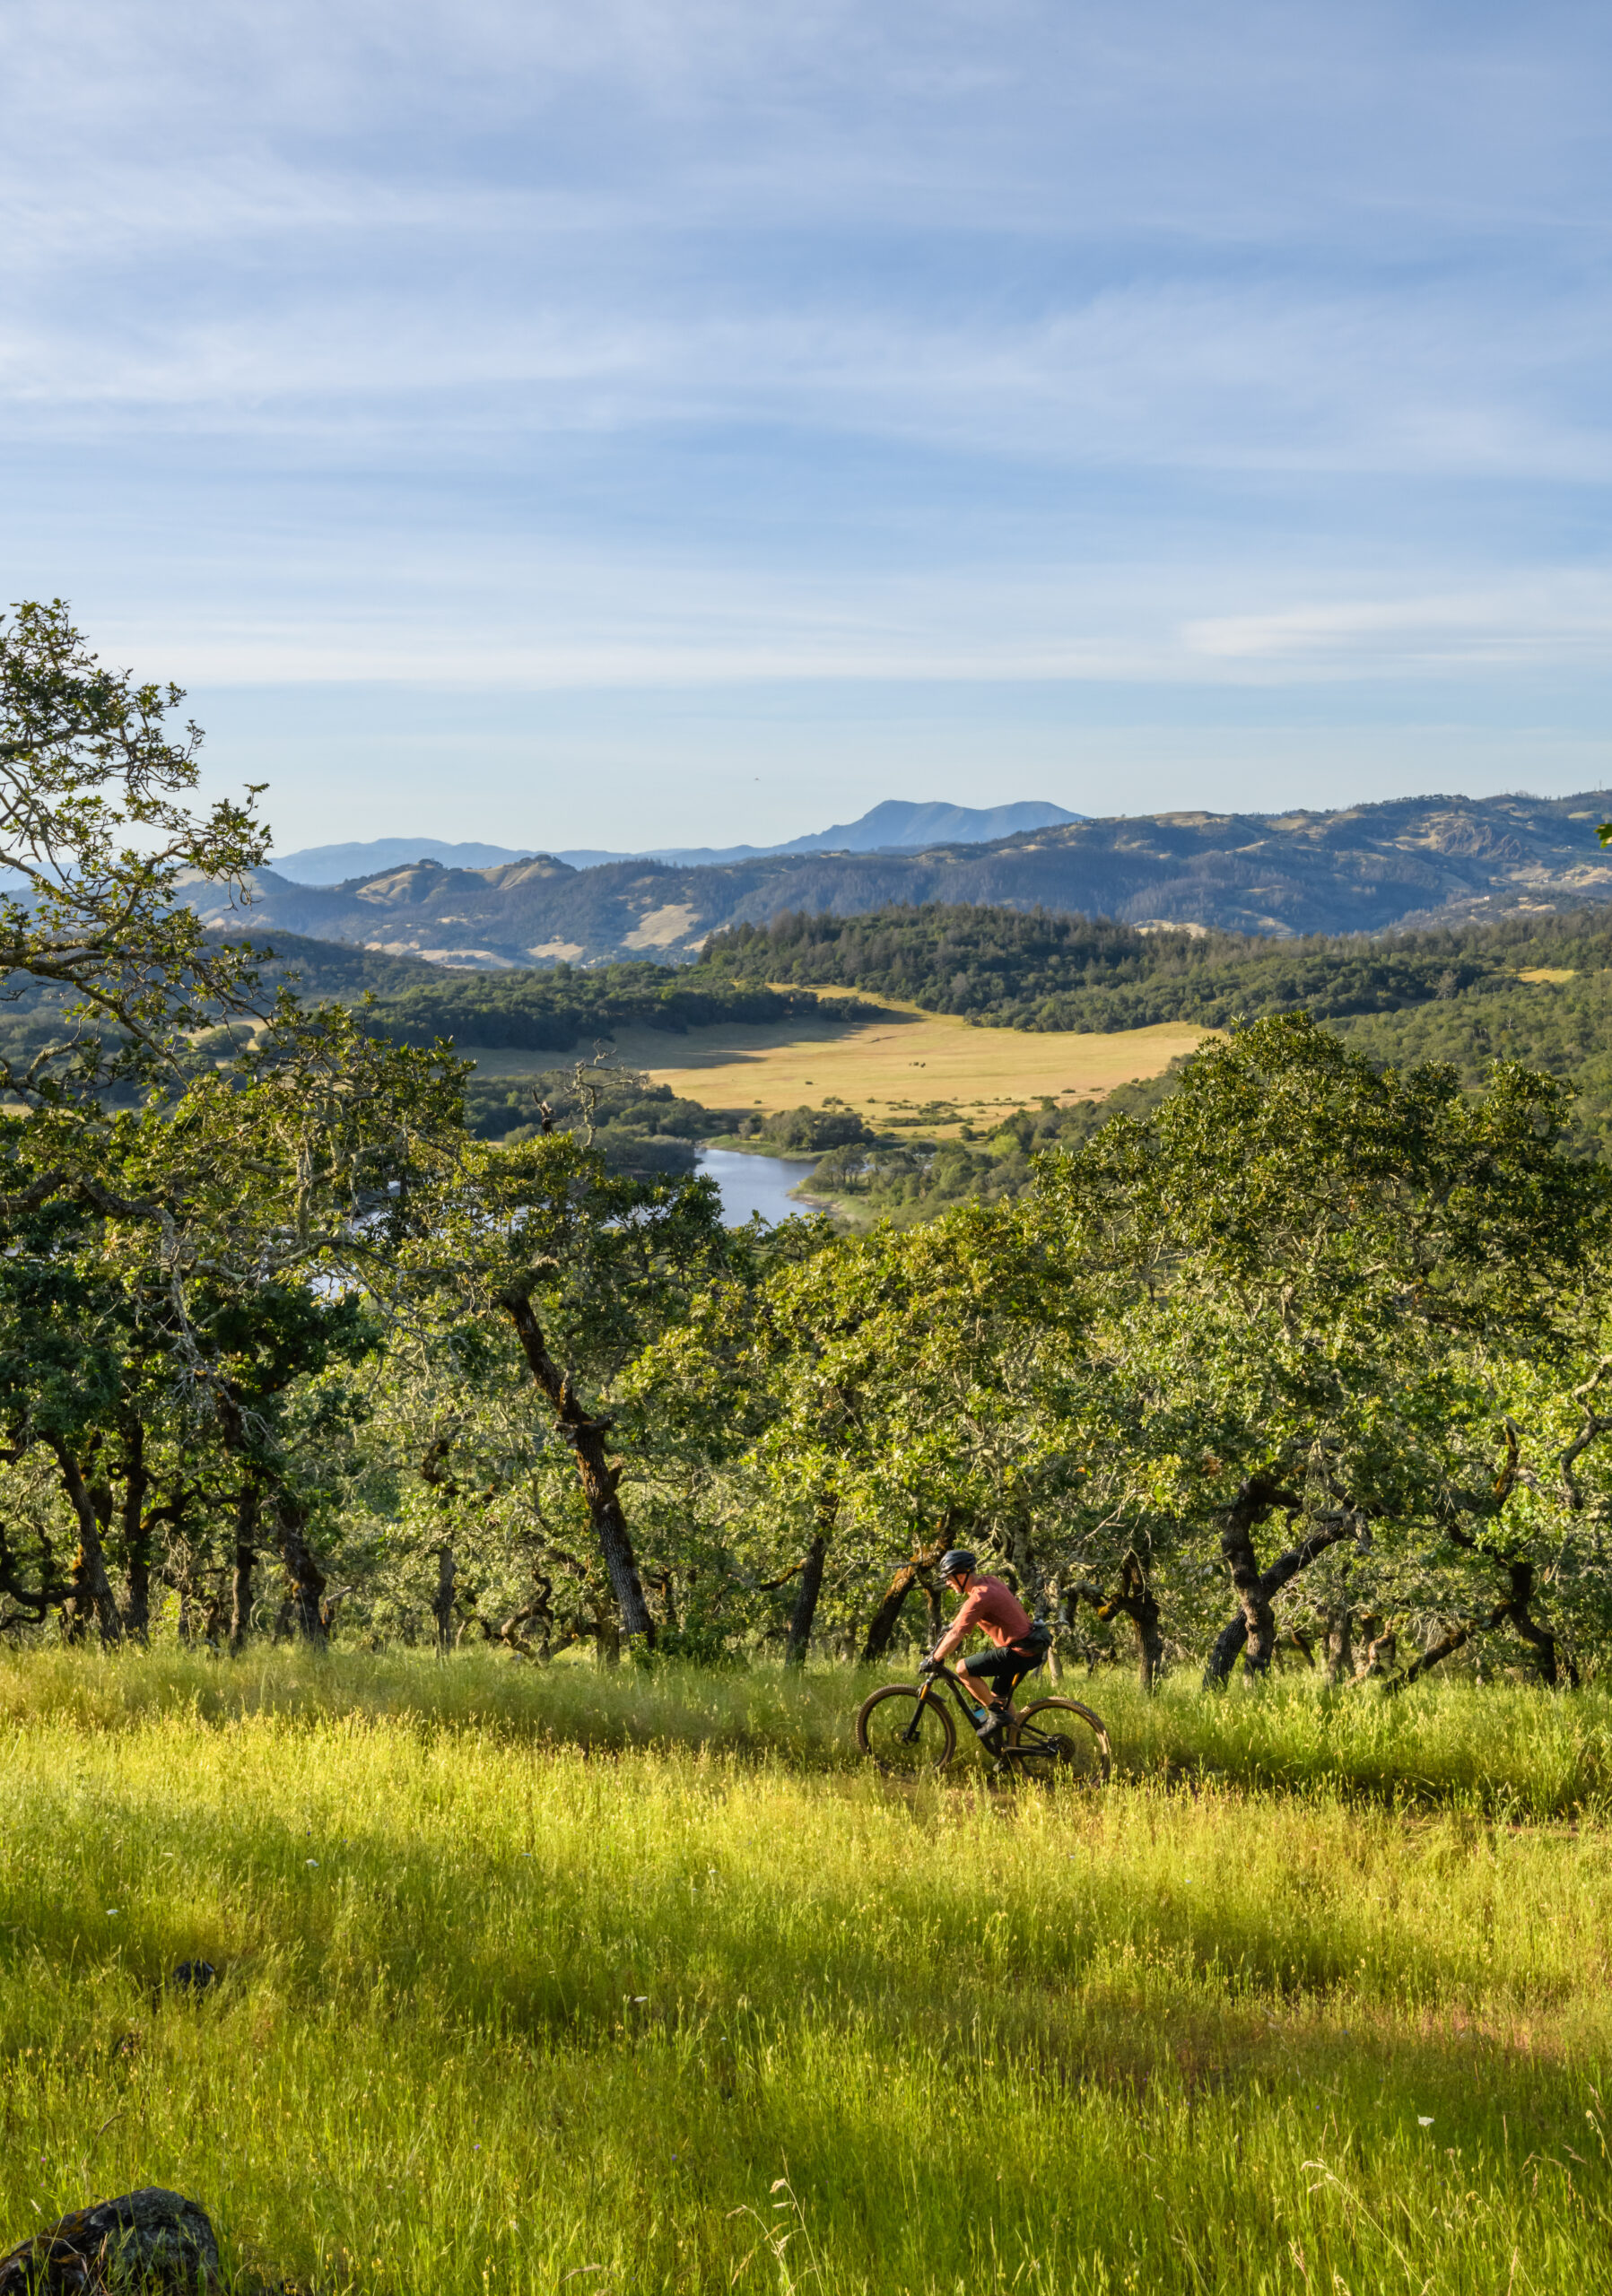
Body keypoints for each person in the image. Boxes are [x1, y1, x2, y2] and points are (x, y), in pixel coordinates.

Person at [922, 1548, 1047, 1744]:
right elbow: (960, 1620)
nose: (947, 1582)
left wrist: (935, 1659)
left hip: (1018, 1652)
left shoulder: (979, 1598)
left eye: (949, 1577)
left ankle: (997, 1716)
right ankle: (1010, 1748)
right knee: (999, 1699)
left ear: (961, 1575)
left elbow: (957, 1633)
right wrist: (949, 1630)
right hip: (1031, 1647)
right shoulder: (990, 1582)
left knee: (962, 1668)